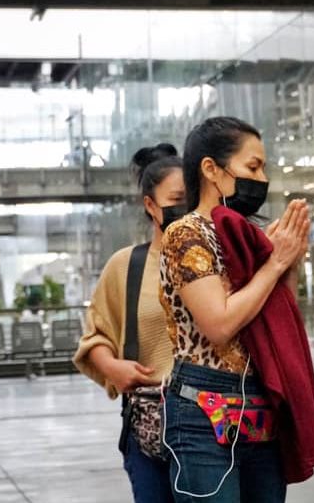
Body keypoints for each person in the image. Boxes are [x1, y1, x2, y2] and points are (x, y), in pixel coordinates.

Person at [159, 117, 309, 502]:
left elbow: (281, 321)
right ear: (211, 169)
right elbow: (220, 324)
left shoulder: (250, 235)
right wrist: (273, 266)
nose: (262, 178)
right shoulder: (186, 232)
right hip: (203, 406)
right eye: (253, 166)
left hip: (259, 403)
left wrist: (288, 263)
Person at [74, 143, 186, 503]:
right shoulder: (127, 266)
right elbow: (94, 335)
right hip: (148, 425)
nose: (186, 208)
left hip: (215, 426)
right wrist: (113, 367)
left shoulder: (219, 259)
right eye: (177, 198)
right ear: (150, 205)